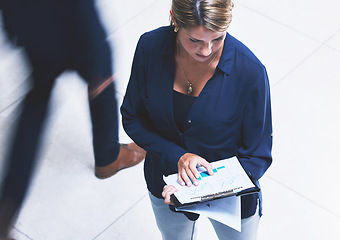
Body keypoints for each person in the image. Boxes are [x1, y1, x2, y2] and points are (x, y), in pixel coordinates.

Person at [120, 0, 273, 239]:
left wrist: (199, 188)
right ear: (174, 19)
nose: (206, 50)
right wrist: (177, 156)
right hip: (164, 183)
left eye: (217, 39)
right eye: (194, 40)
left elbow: (258, 155)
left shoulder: (250, 72)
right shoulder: (149, 47)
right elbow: (132, 117)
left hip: (230, 193)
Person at [0, 0, 146, 237]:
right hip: (71, 22)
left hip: (25, 21)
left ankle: (7, 206)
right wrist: (92, 47)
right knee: (102, 78)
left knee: (36, 101)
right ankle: (107, 157)